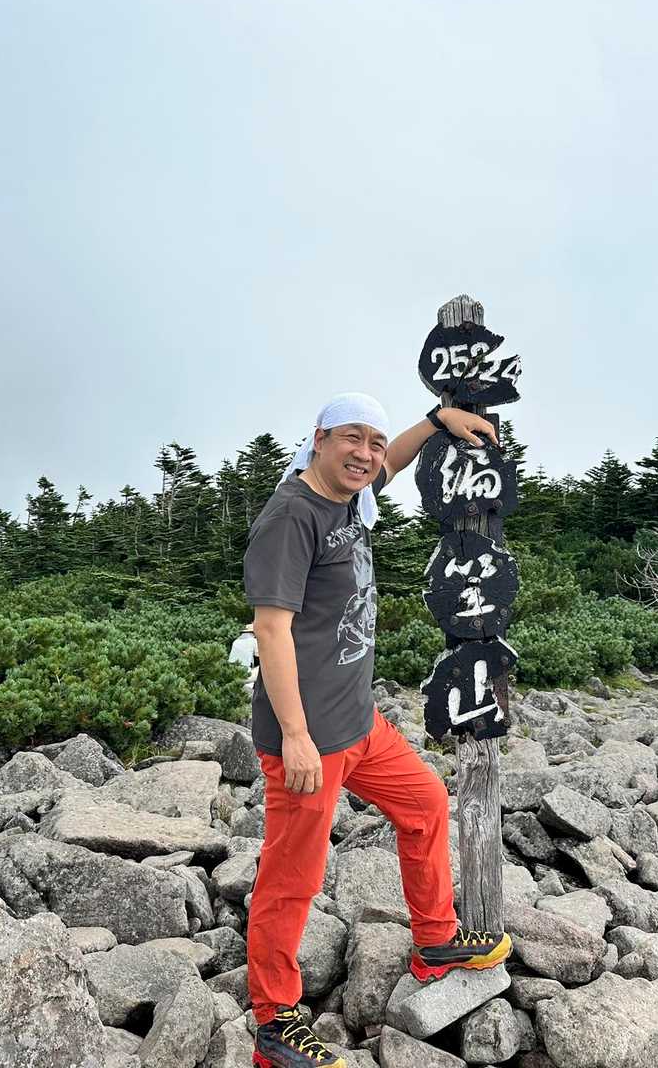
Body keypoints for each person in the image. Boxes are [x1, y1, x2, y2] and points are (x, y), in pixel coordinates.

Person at [244, 392, 513, 1068]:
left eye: (373, 440)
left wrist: (439, 420)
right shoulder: (292, 516)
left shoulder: (350, 495)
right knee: (292, 877)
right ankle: (274, 1022)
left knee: (424, 804)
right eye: (351, 438)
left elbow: (388, 464)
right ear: (318, 439)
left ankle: (434, 942)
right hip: (309, 736)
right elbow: (270, 629)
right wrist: (296, 736)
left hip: (359, 722)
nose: (365, 453)